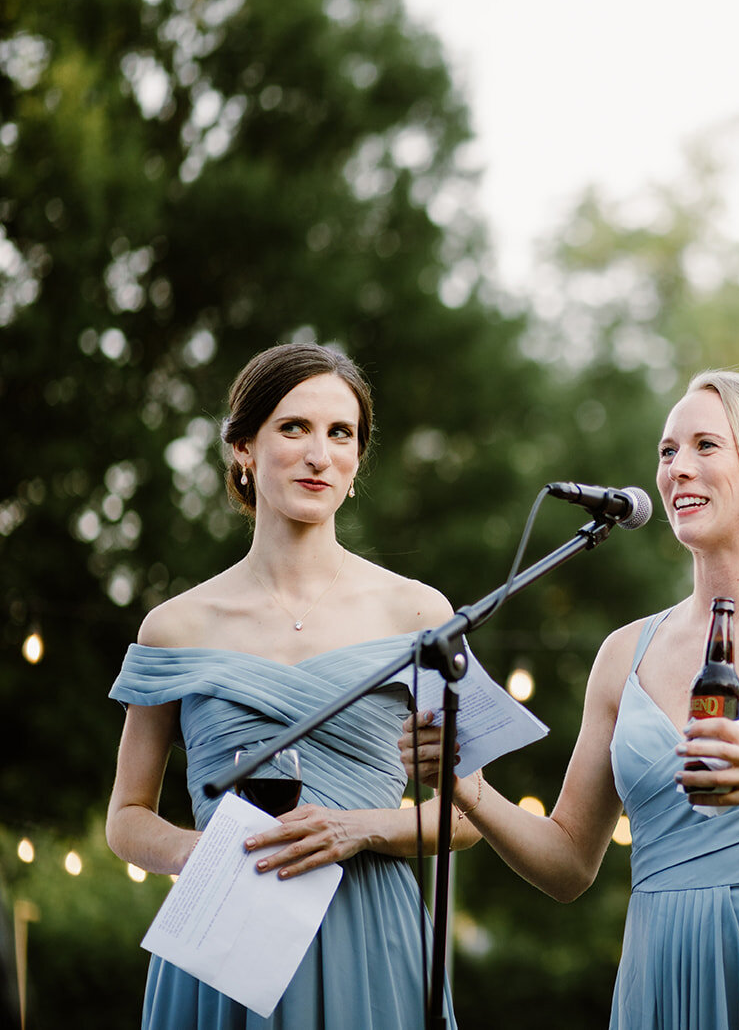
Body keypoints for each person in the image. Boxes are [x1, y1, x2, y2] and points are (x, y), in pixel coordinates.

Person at [404, 369, 739, 1028]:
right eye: (666, 450)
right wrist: (468, 790)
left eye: (706, 446)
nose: (678, 467)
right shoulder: (622, 654)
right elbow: (569, 862)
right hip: (660, 978)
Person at [106, 342, 480, 1029]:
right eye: (294, 427)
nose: (320, 454)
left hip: (370, 933)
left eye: (341, 433)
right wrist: (197, 851)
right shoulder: (175, 624)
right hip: (223, 930)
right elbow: (126, 817)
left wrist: (358, 828)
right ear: (244, 446)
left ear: (358, 460)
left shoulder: (420, 613)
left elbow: (469, 814)